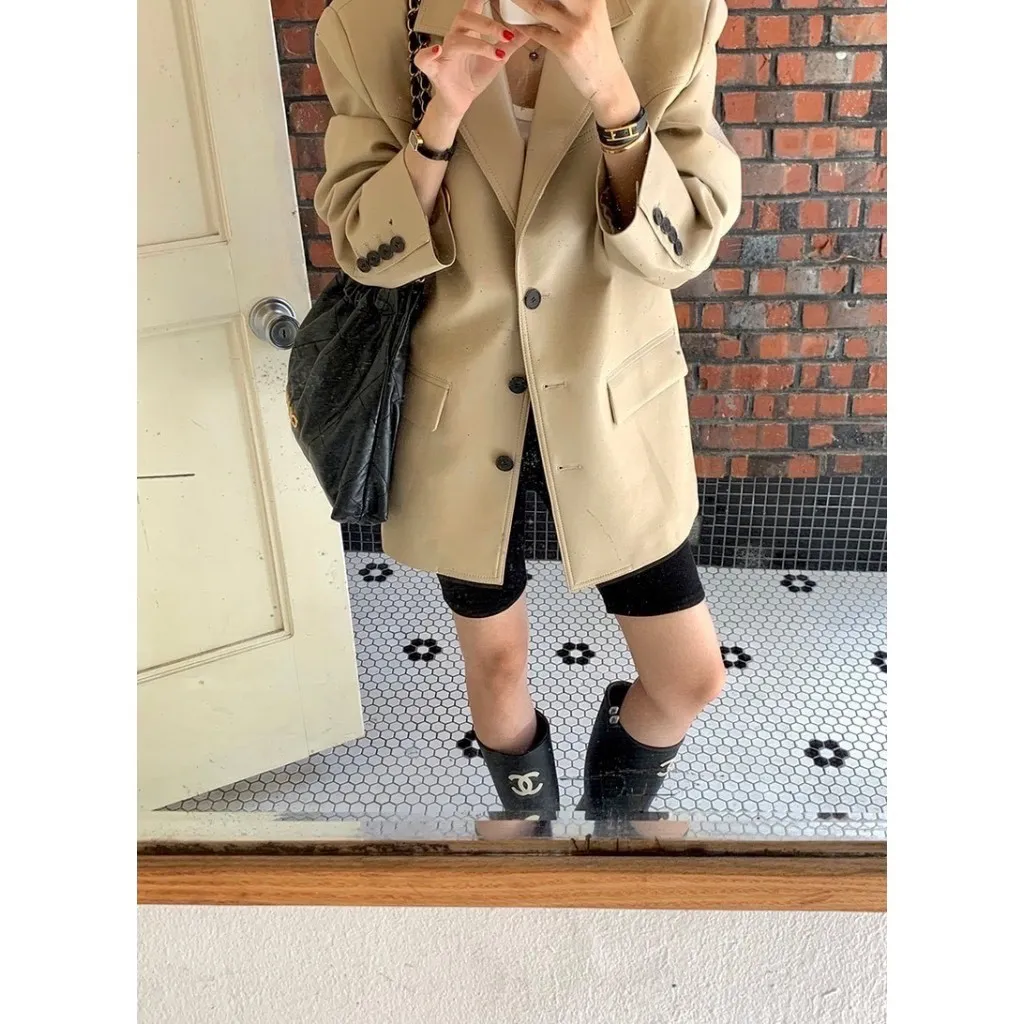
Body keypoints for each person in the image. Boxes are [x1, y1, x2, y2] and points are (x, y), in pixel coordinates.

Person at [312, 0, 742, 821]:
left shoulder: (675, 17)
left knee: (689, 678)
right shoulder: (368, 23)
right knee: (498, 667)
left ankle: (613, 824)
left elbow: (683, 247)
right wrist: (443, 113)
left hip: (612, 406)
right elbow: (365, 246)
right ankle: (527, 846)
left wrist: (612, 92)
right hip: (459, 413)